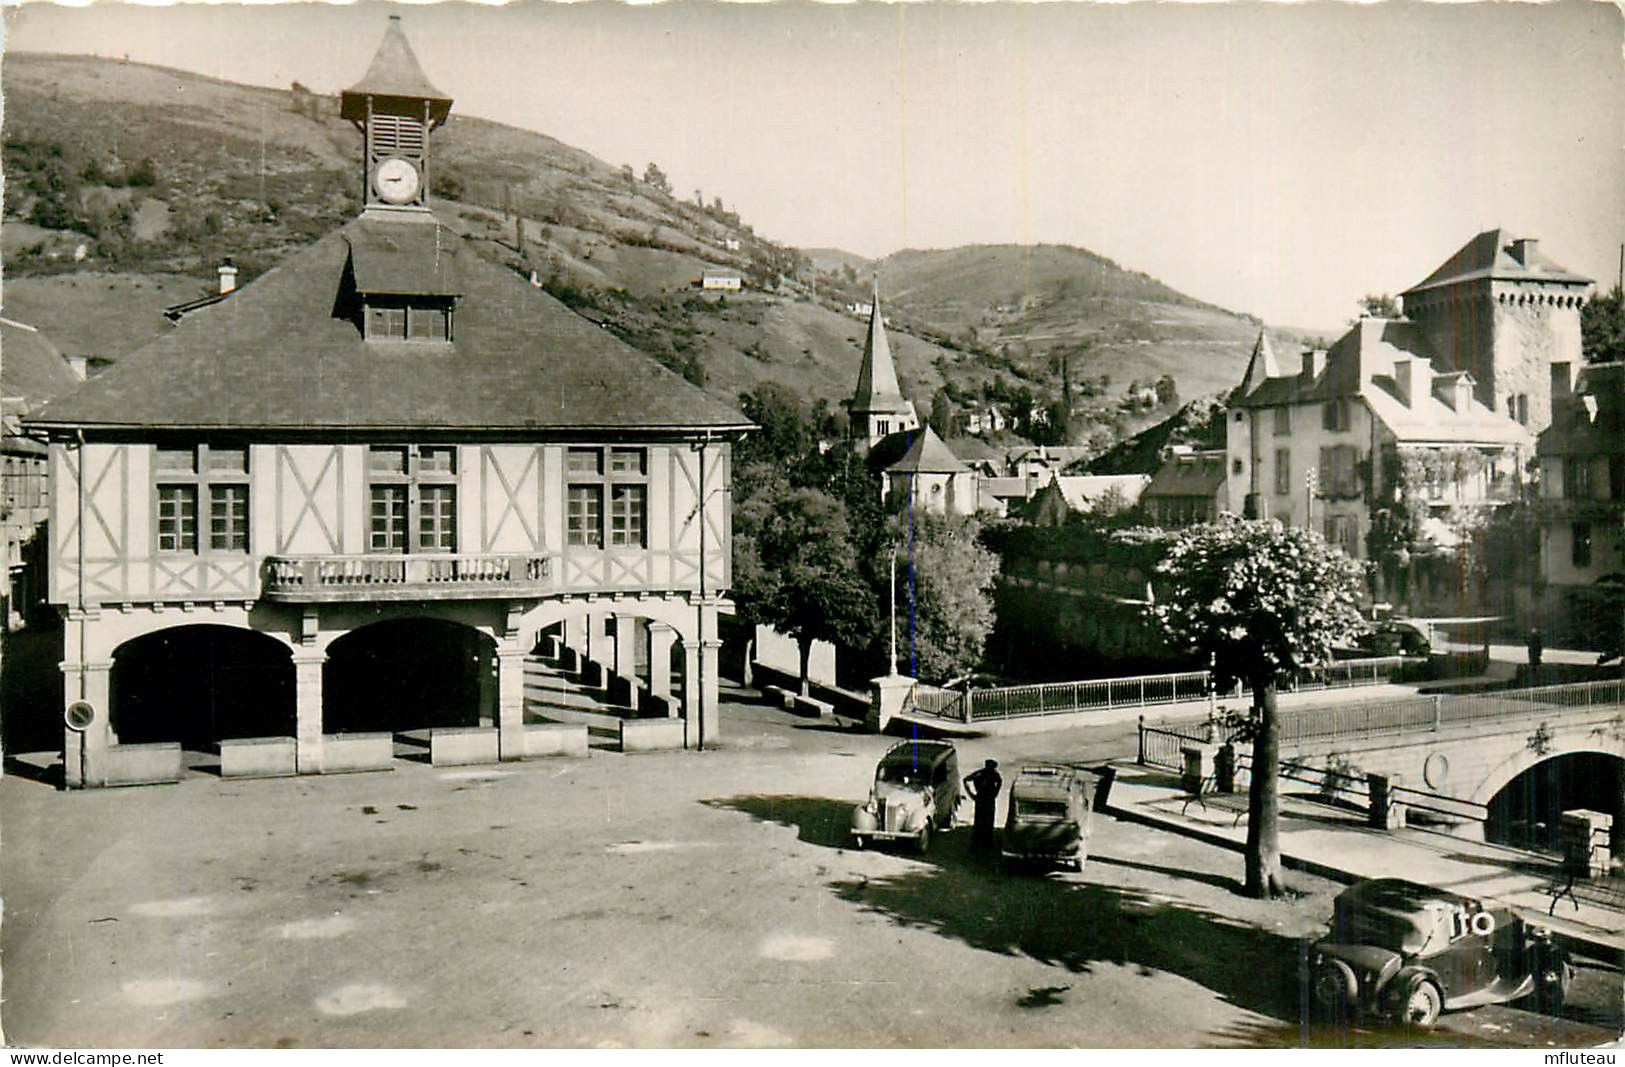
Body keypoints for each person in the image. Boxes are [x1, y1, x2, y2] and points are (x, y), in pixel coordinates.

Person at [963, 758, 1003, 853]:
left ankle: (984, 844)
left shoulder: (991, 774)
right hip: (983, 799)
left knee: (986, 822)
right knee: (981, 822)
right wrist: (971, 793)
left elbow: (999, 783)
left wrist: (971, 794)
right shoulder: (984, 774)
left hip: (986, 800)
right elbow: (966, 780)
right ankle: (979, 844)